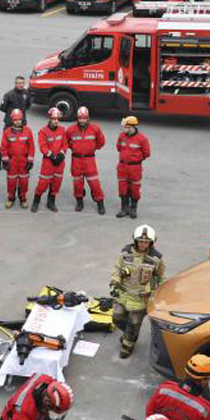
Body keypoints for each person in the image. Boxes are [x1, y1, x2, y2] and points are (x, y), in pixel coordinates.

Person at [110, 225, 166, 359]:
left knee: (134, 323)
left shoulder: (156, 259)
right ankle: (128, 334)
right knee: (117, 318)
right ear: (135, 241)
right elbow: (117, 268)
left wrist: (160, 294)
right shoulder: (125, 253)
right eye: (141, 241)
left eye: (146, 242)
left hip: (141, 298)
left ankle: (128, 345)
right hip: (123, 294)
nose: (143, 244)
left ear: (151, 243)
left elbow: (161, 277)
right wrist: (114, 281)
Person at [67, 106, 107, 214]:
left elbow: (101, 142)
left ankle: (100, 203)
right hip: (76, 160)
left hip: (89, 160)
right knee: (77, 184)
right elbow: (67, 142)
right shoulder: (71, 130)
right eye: (80, 118)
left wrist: (92, 148)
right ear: (77, 118)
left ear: (88, 118)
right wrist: (75, 148)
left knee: (94, 183)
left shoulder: (95, 129)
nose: (82, 120)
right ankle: (79, 202)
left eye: (84, 118)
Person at [115, 116, 152, 219]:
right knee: (122, 188)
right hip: (122, 166)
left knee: (135, 188)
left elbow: (146, 153)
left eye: (126, 127)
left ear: (132, 127)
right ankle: (124, 208)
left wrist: (136, 160)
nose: (124, 129)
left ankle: (133, 207)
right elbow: (118, 148)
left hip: (135, 168)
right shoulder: (122, 136)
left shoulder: (142, 139)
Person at [0, 109, 35, 210]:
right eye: (15, 119)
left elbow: (31, 147)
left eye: (19, 119)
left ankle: (23, 199)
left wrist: (30, 161)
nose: (17, 121)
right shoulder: (7, 132)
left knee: (24, 181)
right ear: (12, 120)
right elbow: (3, 148)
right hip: (12, 161)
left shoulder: (28, 131)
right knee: (11, 181)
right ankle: (11, 198)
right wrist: (5, 161)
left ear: (22, 119)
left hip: (24, 161)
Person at [33, 107, 67, 212]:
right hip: (48, 161)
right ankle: (36, 202)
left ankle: (51, 202)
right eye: (53, 119)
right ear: (50, 119)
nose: (56, 121)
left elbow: (65, 144)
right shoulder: (43, 132)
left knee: (56, 183)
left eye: (57, 119)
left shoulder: (62, 130)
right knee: (43, 183)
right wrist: (51, 155)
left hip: (60, 162)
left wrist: (61, 154)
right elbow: (42, 146)